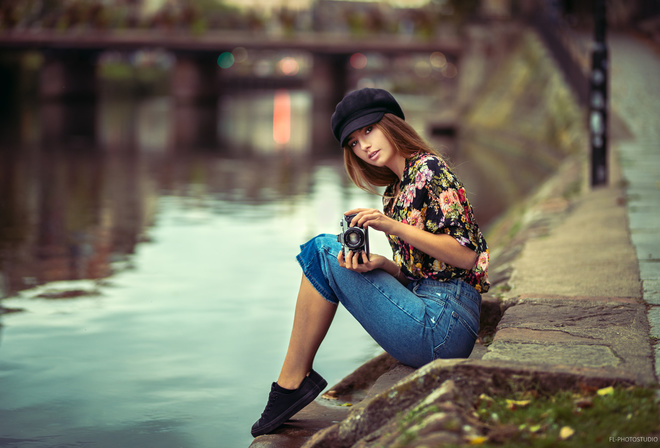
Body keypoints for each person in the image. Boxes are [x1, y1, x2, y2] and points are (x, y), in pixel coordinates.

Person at [251, 87, 489, 437]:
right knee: (333, 256)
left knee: (321, 249)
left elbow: (465, 255)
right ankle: (292, 382)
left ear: (390, 125)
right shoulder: (396, 190)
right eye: (353, 143)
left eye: (368, 130)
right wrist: (383, 265)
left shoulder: (429, 169)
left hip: (446, 325)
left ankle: (290, 383)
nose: (364, 146)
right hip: (431, 309)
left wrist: (392, 226)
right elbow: (422, 272)